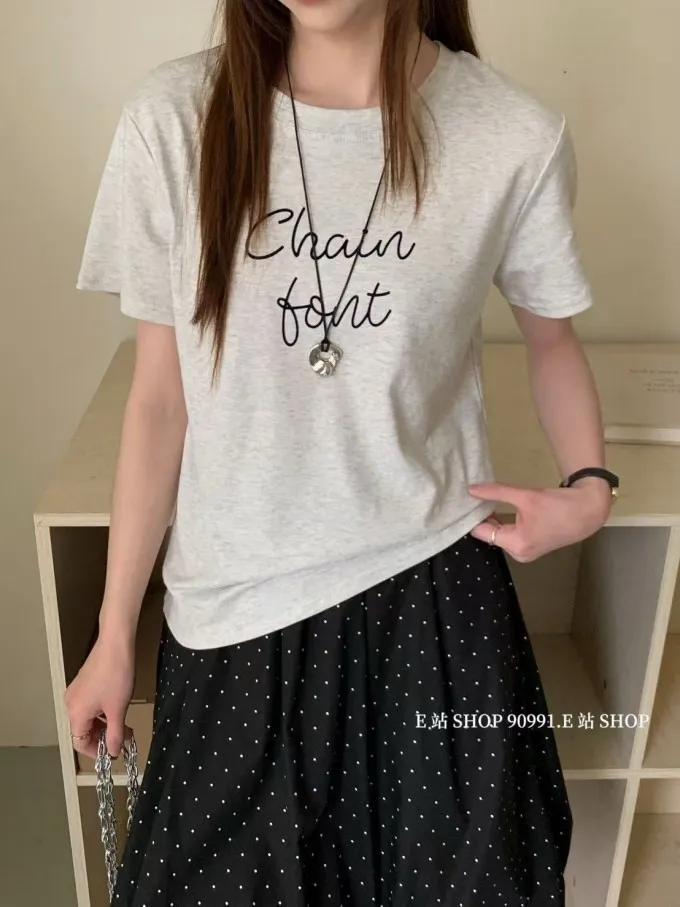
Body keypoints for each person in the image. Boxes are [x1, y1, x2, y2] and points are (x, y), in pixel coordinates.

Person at [66, 0, 618, 904]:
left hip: (435, 603)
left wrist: (590, 488)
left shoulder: (512, 135)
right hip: (234, 614)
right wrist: (114, 632)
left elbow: (551, 338)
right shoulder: (173, 121)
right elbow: (160, 400)